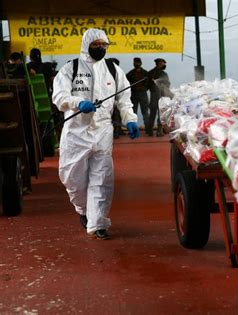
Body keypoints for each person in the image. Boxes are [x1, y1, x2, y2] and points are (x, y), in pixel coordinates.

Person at [52, 28, 139, 240]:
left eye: (104, 45)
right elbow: (59, 96)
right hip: (76, 132)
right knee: (72, 177)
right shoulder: (70, 68)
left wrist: (130, 119)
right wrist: (77, 103)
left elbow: (124, 100)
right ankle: (83, 209)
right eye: (96, 45)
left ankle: (98, 223)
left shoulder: (113, 69)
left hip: (102, 131)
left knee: (102, 177)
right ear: (87, 44)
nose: (100, 48)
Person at [126, 57, 150, 134]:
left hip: (143, 94)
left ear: (140, 63)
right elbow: (127, 84)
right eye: (135, 62)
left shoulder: (146, 73)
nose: (136, 64)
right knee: (133, 113)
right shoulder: (130, 74)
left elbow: (149, 84)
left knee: (145, 112)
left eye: (137, 62)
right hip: (134, 94)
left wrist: (144, 88)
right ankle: (133, 130)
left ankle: (148, 130)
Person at [148, 58, 170, 136]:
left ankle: (151, 131)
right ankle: (157, 131)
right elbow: (148, 84)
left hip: (160, 95)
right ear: (158, 64)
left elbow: (167, 84)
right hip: (156, 95)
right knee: (157, 114)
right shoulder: (152, 73)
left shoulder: (153, 73)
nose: (164, 65)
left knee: (154, 114)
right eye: (163, 63)